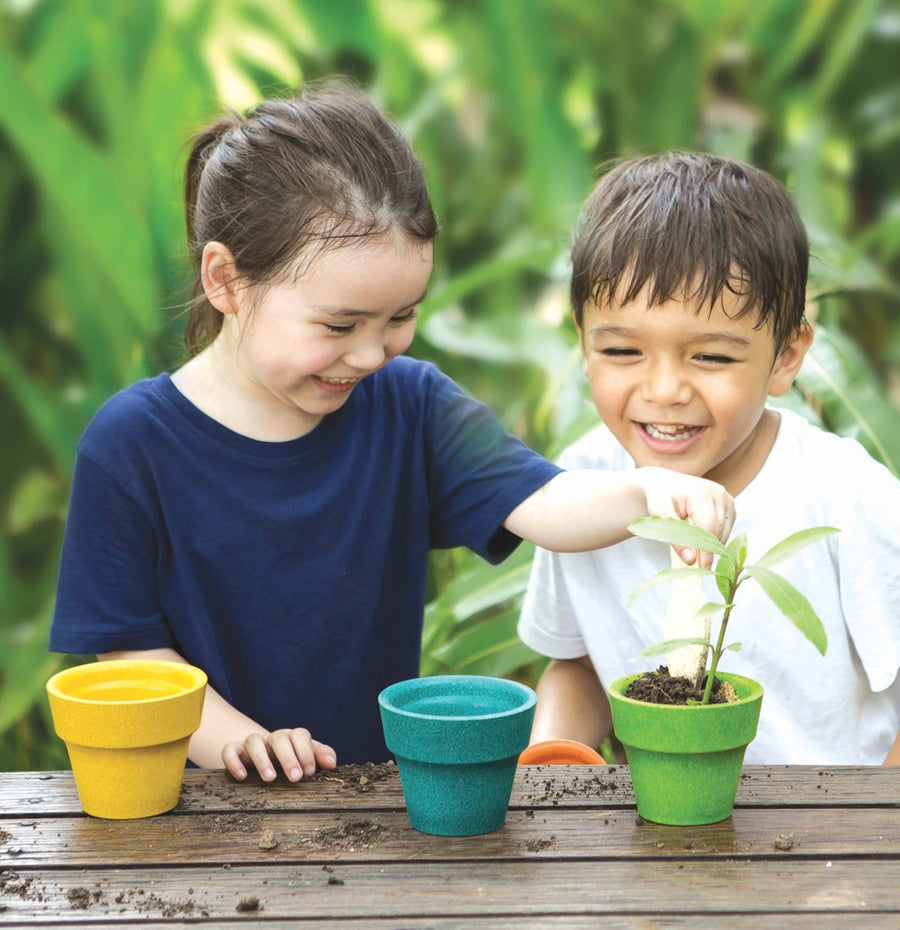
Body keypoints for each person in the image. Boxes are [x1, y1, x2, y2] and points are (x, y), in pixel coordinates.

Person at [48, 85, 735, 784]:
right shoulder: (130, 444)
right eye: (340, 326)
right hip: (200, 809)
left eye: (400, 317)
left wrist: (646, 492)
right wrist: (244, 743)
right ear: (226, 280)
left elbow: (546, 504)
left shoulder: (411, 406)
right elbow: (129, 650)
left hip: (379, 808)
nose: (373, 354)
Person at [518, 151, 900, 765]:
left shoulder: (847, 496)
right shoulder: (577, 492)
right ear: (583, 344)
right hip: (661, 842)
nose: (664, 390)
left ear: (785, 356)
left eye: (712, 357)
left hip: (830, 845)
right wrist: (552, 759)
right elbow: (580, 664)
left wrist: (869, 833)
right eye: (621, 350)